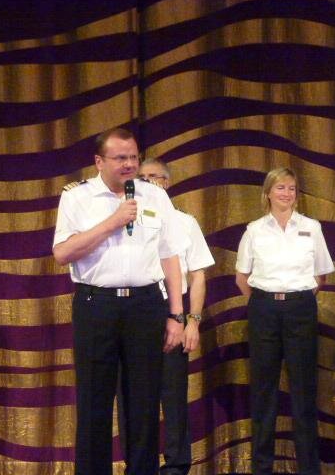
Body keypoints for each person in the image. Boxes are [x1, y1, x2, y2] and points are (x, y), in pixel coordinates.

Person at [52, 128, 186, 475]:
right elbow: (62, 253)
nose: (129, 164)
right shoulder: (77, 197)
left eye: (133, 157)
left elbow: (170, 256)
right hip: (97, 305)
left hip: (145, 305)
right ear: (99, 161)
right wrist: (112, 222)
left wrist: (177, 314)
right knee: (94, 401)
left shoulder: (155, 196)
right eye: (120, 158)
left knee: (144, 403)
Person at [235, 168, 334, 475]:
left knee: (303, 392)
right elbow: (241, 278)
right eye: (280, 188)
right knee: (263, 392)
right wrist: (266, 302)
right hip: (264, 309)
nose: (286, 193)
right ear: (268, 193)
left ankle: (309, 469)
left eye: (291, 188)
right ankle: (262, 468)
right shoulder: (254, 230)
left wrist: (295, 299)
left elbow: (321, 275)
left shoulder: (311, 227)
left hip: (300, 309)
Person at [138, 159, 215, 475]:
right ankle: (139, 464)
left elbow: (197, 275)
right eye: (141, 177)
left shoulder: (185, 222)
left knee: (173, 394)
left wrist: (192, 320)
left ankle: (177, 465)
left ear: (167, 182)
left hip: (174, 310)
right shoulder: (127, 221)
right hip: (137, 310)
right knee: (135, 396)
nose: (146, 182)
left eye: (153, 177)